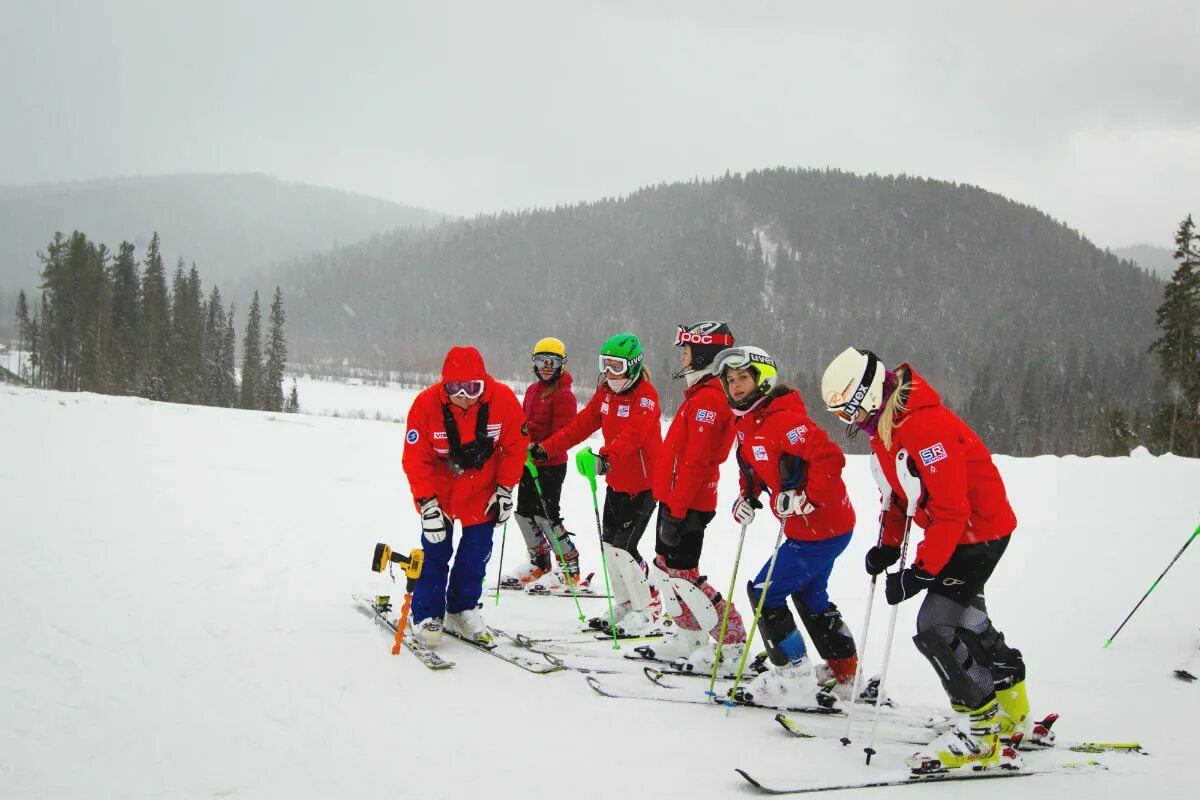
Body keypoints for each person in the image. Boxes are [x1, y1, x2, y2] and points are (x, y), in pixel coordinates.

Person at [820, 346, 1031, 773]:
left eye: (848, 411)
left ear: (868, 395)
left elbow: (952, 509)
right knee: (967, 620)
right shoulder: (886, 427)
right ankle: (1012, 711)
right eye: (840, 414)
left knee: (935, 626)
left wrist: (920, 572)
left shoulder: (924, 428)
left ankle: (981, 733)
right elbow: (901, 494)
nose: (848, 422)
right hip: (956, 532)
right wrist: (888, 545)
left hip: (978, 532)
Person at [712, 346, 860, 707]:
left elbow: (829, 457)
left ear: (763, 380)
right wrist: (747, 497)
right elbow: (753, 468)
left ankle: (793, 677)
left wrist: (807, 498)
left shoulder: (785, 421)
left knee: (765, 592)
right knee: (810, 596)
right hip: (812, 528)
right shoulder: (747, 422)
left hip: (820, 527)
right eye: (730, 380)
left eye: (743, 378)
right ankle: (845, 672)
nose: (735, 385)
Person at [531, 333, 663, 634]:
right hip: (616, 482)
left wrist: (606, 458)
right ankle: (626, 602)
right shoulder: (605, 393)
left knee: (625, 548)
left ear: (633, 365)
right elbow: (580, 426)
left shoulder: (646, 395)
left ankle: (649, 607)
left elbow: (634, 434)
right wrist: (546, 448)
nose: (610, 373)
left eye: (617, 366)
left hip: (645, 483)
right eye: (605, 364)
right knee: (610, 547)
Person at [402, 345, 529, 647]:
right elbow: (415, 459)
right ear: (444, 385)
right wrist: (426, 503)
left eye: (472, 388)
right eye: (455, 388)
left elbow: (515, 448)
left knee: (476, 553)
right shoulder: (426, 404)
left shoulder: (503, 400)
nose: (463, 396)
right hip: (440, 493)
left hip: (482, 492)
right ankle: (427, 614)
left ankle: (462, 608)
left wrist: (505, 489)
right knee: (436, 551)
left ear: (484, 383)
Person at [641, 322, 748, 676]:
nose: (682, 358)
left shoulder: (710, 400)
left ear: (703, 355)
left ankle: (732, 641)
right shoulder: (698, 395)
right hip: (674, 499)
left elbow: (697, 462)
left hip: (689, 504)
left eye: (687, 352)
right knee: (669, 572)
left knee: (685, 576)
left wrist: (677, 509)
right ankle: (689, 635)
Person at [507, 337, 581, 587]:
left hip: (551, 465)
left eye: (553, 362)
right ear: (534, 363)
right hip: (528, 463)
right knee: (523, 513)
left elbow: (565, 433)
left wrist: (542, 449)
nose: (547, 367)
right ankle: (539, 562)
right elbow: (524, 424)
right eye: (542, 361)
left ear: (562, 364)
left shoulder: (564, 395)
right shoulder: (532, 390)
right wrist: (516, 440)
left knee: (546, 515)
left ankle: (569, 565)